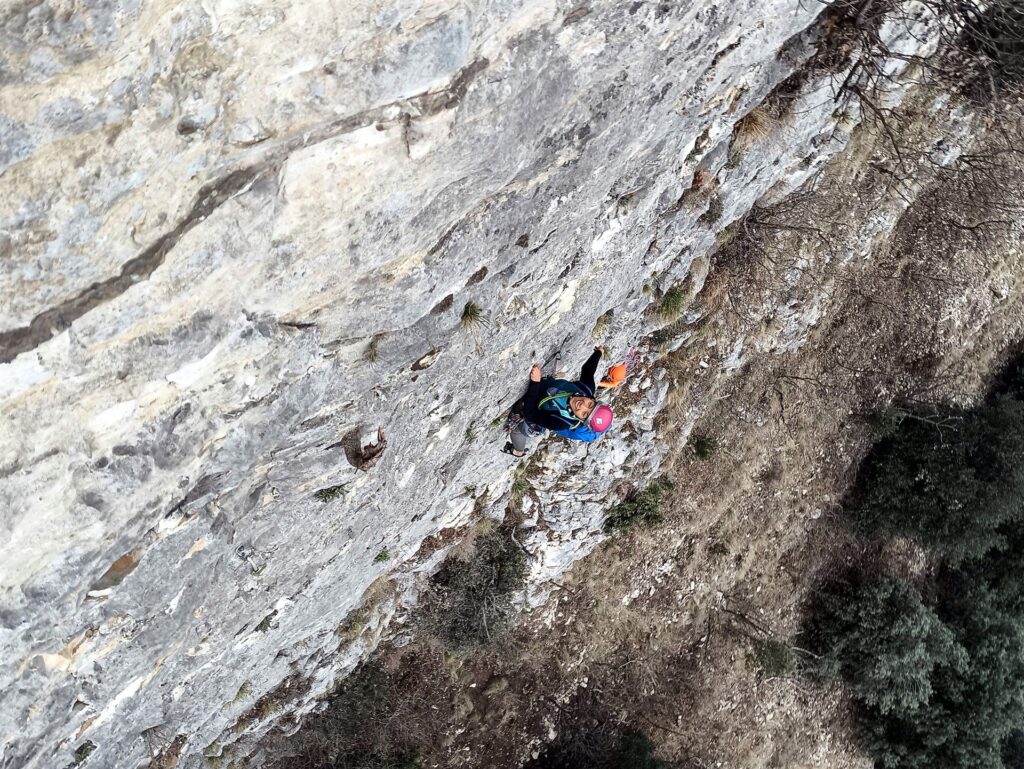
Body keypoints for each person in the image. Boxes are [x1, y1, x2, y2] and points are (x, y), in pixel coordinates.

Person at [504, 346, 615, 457]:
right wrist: (599, 352)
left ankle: (518, 452)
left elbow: (530, 413)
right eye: (590, 404)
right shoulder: (586, 389)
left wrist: (535, 383)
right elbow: (588, 370)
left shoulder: (561, 423)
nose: (582, 406)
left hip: (535, 408)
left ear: (581, 420)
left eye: (584, 413)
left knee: (518, 431)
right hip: (546, 391)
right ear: (593, 399)